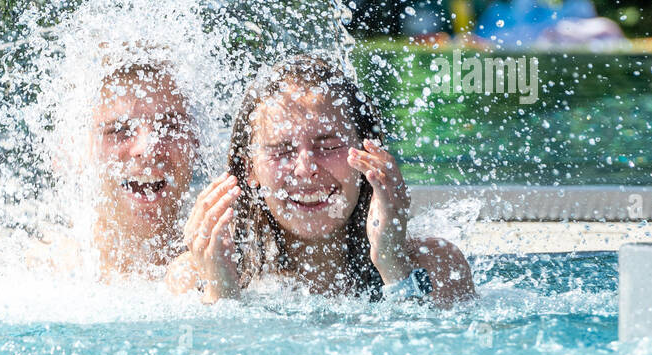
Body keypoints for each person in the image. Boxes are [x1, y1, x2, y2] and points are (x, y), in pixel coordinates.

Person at [167, 55, 475, 306]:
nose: (305, 168)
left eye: (328, 147)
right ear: (250, 169)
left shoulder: (436, 265)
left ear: (369, 154)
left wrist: (392, 264)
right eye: (281, 150)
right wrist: (222, 296)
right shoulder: (198, 273)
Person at [27, 57, 201, 282]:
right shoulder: (38, 276)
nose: (146, 149)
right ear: (75, 150)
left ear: (195, 143)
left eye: (169, 127)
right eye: (120, 130)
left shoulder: (236, 268)